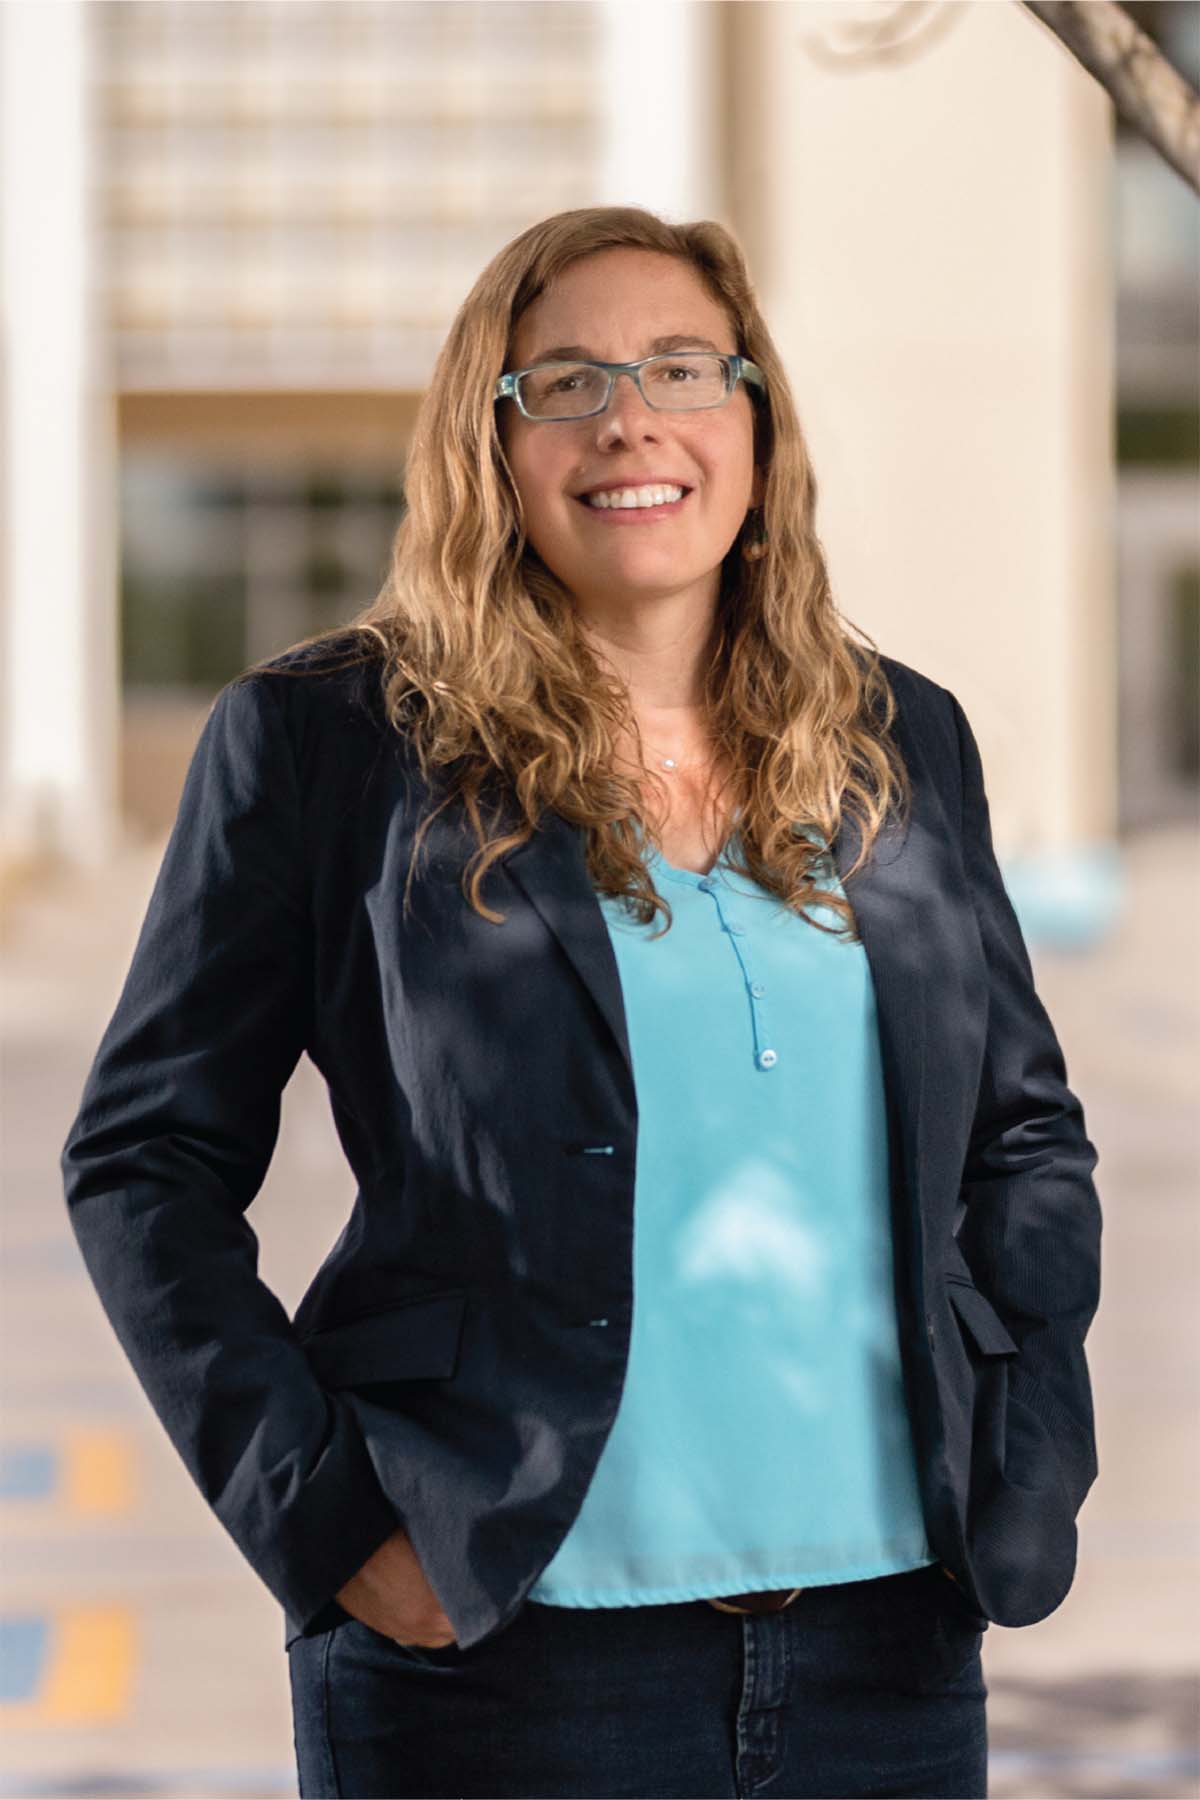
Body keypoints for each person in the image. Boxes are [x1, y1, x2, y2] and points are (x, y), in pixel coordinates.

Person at [61, 205, 1102, 1800]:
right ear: (494, 442)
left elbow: (1024, 1138)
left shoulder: (901, 740)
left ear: (755, 423)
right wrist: (327, 1522)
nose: (632, 418)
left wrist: (1028, 1461)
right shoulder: (334, 745)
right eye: (566, 381)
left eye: (682, 367)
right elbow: (145, 1163)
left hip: (887, 1655)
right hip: (503, 1661)